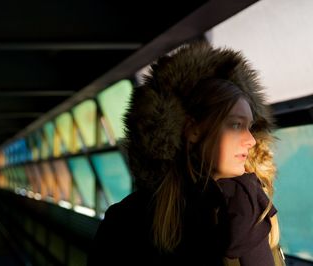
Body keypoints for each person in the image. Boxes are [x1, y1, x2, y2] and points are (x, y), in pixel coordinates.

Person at [87, 41, 285, 266]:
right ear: (193, 130)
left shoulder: (253, 206)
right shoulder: (129, 222)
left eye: (250, 127)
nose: (250, 140)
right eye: (236, 125)